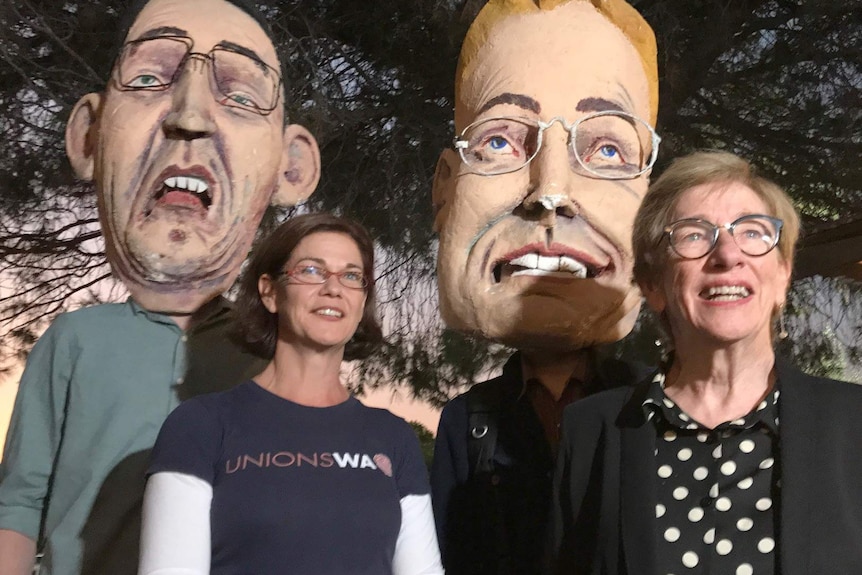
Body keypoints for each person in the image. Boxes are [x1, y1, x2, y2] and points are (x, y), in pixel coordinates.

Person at [0, 0, 320, 574]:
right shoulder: (74, 340)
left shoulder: (274, 355)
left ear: (290, 167)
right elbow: (19, 502)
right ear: (89, 137)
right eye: (149, 78)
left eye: (242, 95)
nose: (189, 115)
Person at [551, 150, 862, 574]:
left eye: (753, 232)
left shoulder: (853, 424)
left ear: (782, 277)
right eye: (694, 235)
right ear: (653, 285)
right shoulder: (591, 431)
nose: (727, 255)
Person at [429, 0, 658, 572]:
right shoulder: (469, 421)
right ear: (444, 193)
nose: (550, 190)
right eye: (501, 141)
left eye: (608, 149)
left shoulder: (657, 406)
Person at [138, 213, 443, 575]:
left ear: (362, 302)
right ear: (269, 292)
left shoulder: (393, 438)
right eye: (312, 271)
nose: (334, 288)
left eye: (351, 276)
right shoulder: (201, 426)